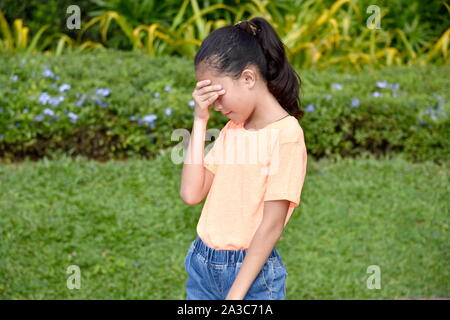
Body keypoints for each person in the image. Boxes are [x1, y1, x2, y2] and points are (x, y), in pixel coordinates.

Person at [179, 17, 308, 300]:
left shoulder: (286, 135)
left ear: (248, 78)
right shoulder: (233, 129)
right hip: (202, 266)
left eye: (218, 94)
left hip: (253, 278)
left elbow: (271, 225)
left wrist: (235, 296)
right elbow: (191, 193)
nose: (216, 105)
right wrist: (200, 120)